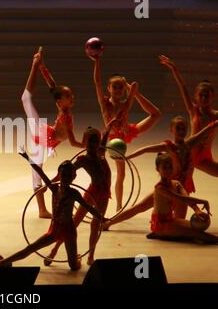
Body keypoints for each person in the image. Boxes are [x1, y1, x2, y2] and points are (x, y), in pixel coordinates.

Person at [0, 153, 104, 270]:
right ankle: (1, 263)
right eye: (63, 174)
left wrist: (100, 217)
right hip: (54, 229)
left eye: (69, 175)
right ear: (59, 175)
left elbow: (87, 206)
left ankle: (76, 258)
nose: (66, 177)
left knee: (73, 266)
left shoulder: (74, 193)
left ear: (74, 177)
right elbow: (40, 172)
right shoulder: (54, 188)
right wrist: (27, 158)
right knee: (29, 249)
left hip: (68, 231)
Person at [104, 117, 218, 230]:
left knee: (178, 223)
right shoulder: (168, 146)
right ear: (171, 130)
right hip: (167, 187)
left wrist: (215, 122)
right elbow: (145, 149)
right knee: (139, 207)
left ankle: (163, 226)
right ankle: (108, 223)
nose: (181, 131)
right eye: (178, 128)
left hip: (182, 188)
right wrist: (126, 158)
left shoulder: (190, 143)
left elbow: (208, 129)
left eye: (183, 129)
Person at [90, 54, 161, 211]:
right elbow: (97, 82)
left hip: (127, 131)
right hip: (115, 140)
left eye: (121, 87)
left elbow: (136, 106)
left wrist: (134, 92)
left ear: (123, 90)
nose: (117, 89)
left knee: (156, 115)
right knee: (121, 173)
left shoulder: (125, 104)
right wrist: (98, 62)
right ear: (109, 88)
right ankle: (119, 206)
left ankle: (119, 205)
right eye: (114, 86)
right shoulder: (104, 103)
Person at [22, 48, 83, 218]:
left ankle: (42, 209)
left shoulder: (64, 111)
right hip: (44, 138)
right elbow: (73, 142)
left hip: (46, 138)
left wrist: (42, 66)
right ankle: (42, 210)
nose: (72, 97)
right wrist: (89, 144)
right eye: (68, 96)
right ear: (59, 101)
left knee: (37, 171)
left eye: (71, 95)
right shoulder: (65, 117)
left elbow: (52, 85)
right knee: (36, 173)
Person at [45, 121, 115, 266]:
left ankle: (91, 256)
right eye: (91, 141)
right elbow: (66, 172)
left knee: (96, 225)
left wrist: (108, 128)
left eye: (96, 140)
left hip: (104, 194)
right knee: (74, 222)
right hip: (93, 192)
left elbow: (104, 139)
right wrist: (52, 182)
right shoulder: (83, 160)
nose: (94, 144)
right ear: (85, 142)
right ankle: (54, 250)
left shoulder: (101, 152)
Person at [159, 55, 218, 176]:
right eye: (201, 95)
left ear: (213, 97)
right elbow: (182, 87)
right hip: (189, 153)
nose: (203, 98)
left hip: (205, 157)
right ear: (196, 96)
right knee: (176, 181)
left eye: (207, 95)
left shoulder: (216, 116)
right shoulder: (193, 110)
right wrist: (174, 69)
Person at [148, 153, 218, 244]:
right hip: (161, 224)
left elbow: (186, 197)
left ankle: (173, 234)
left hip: (170, 219)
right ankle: (159, 233)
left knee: (197, 228)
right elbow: (181, 199)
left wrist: (196, 210)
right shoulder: (160, 188)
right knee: (199, 235)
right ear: (157, 169)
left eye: (170, 167)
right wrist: (203, 201)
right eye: (165, 167)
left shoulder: (176, 183)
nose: (168, 170)